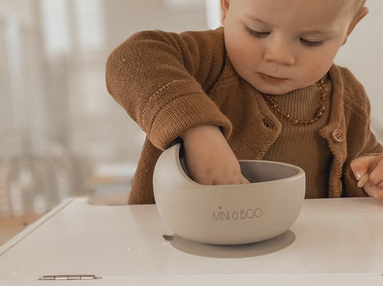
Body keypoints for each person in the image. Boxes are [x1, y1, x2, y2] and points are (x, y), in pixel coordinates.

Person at [106, 0, 383, 204]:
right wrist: (198, 131)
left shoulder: (349, 96)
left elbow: (362, 162)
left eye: (311, 40)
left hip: (304, 259)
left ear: (350, 27)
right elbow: (130, 59)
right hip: (180, 255)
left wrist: (373, 174)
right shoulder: (207, 60)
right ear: (226, 6)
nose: (279, 56)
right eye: (257, 31)